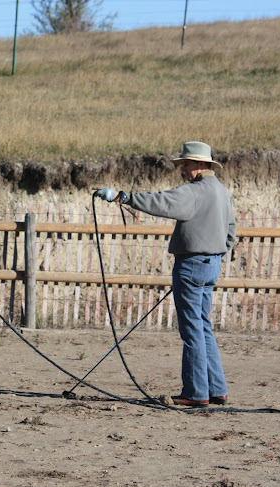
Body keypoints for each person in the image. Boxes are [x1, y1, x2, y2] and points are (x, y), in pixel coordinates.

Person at [97, 141, 236, 408]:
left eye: (185, 163)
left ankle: (196, 393)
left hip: (192, 264)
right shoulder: (221, 191)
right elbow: (231, 230)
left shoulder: (194, 192)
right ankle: (217, 389)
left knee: (192, 329)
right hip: (211, 264)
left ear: (199, 164)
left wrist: (124, 197)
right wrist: (216, 252)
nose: (182, 168)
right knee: (204, 326)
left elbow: (161, 202)